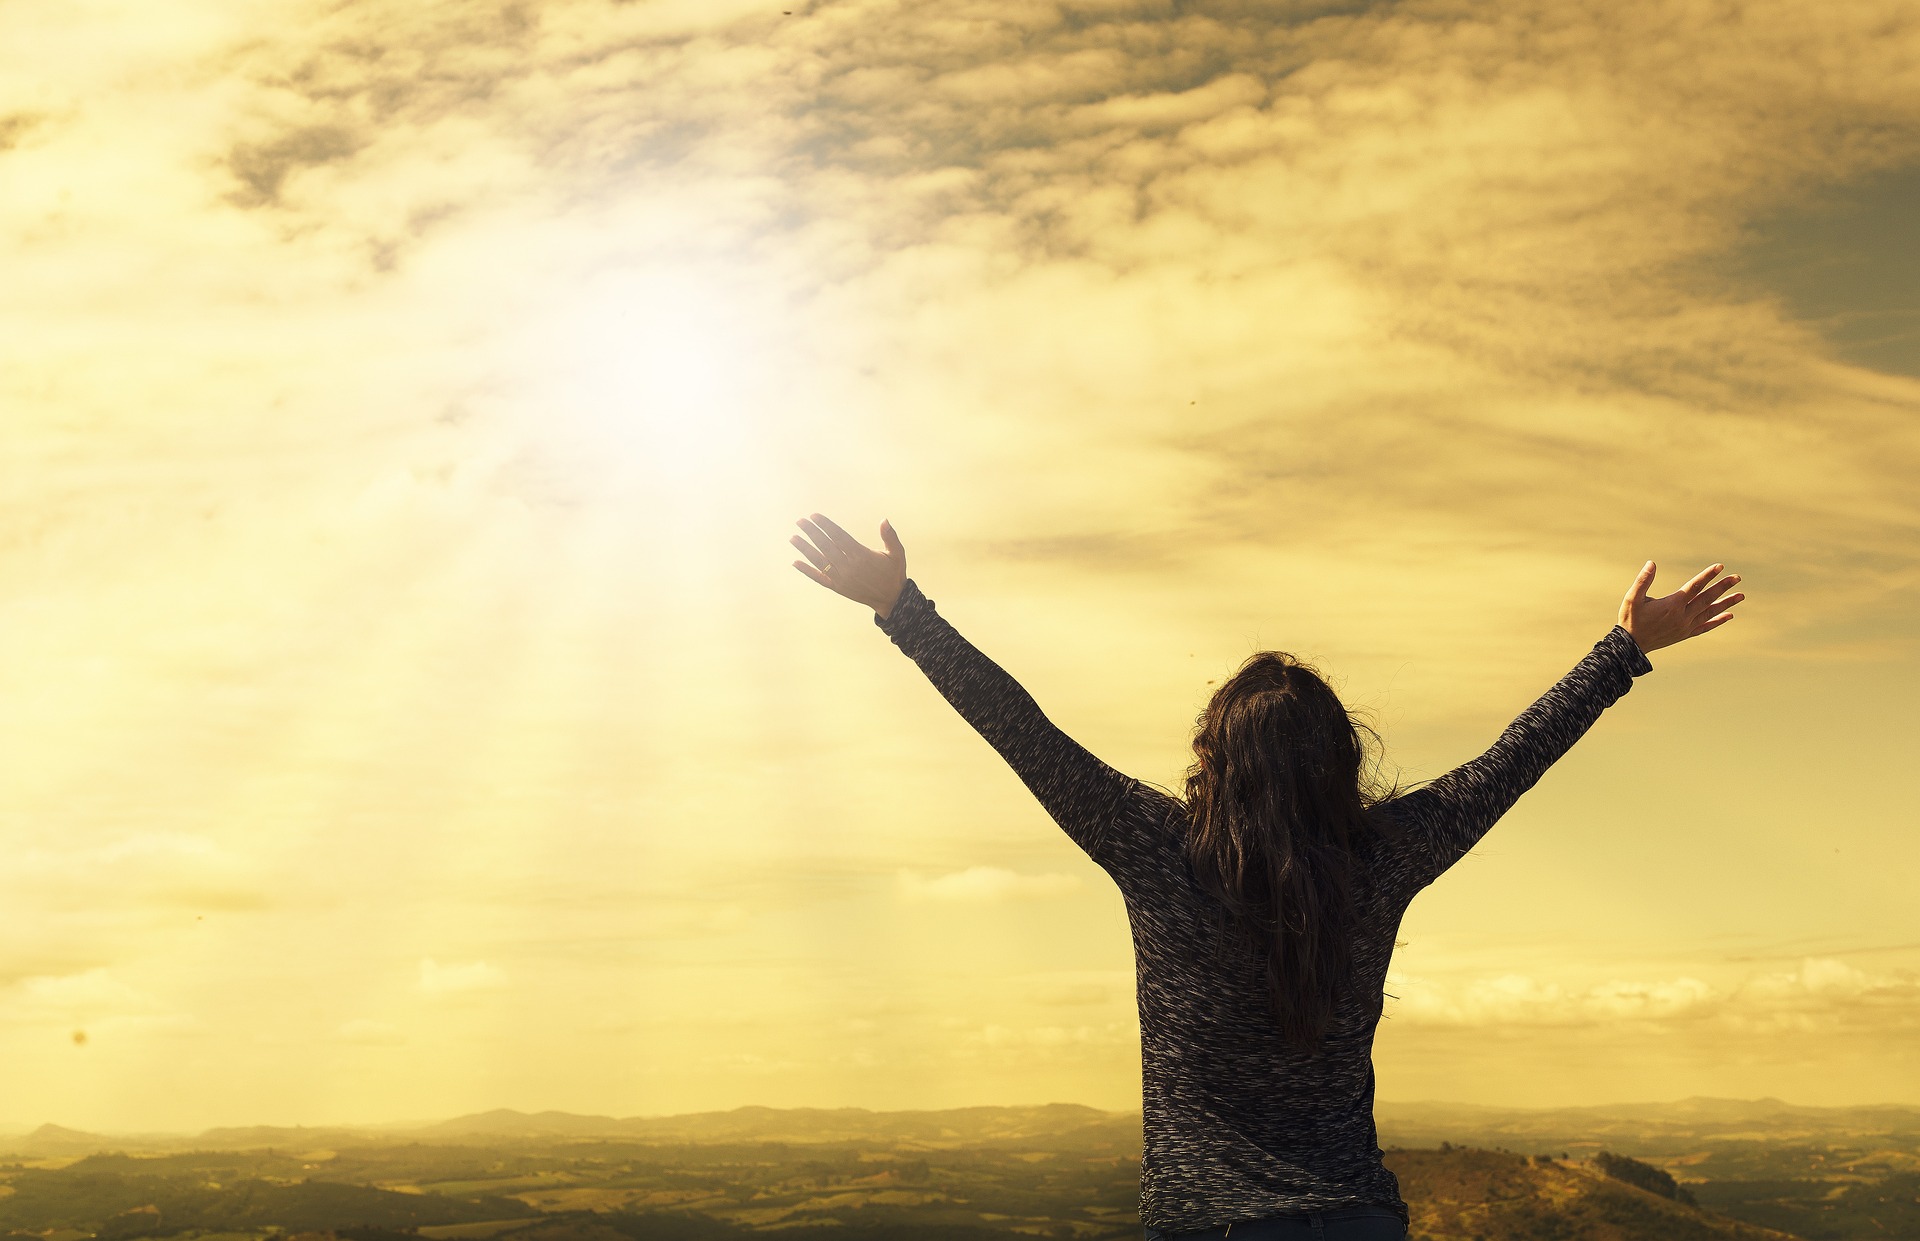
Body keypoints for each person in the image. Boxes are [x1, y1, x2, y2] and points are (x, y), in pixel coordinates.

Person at [789, 513, 1744, 1241]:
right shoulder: (1384, 856)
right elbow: (1511, 759)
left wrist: (902, 610)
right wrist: (1623, 649)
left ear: (1214, 756)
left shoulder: (1157, 849)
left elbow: (1024, 733)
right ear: (1338, 758)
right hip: (1358, 1217)